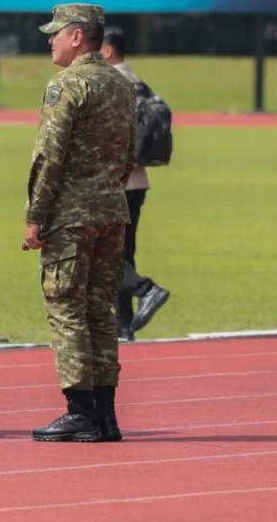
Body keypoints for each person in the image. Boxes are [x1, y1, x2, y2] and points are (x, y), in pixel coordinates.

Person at [23, 4, 136, 443]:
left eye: (56, 33)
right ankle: (106, 416)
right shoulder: (120, 83)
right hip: (111, 210)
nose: (50, 40)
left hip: (70, 215)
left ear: (77, 37)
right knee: (100, 313)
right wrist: (108, 189)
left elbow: (49, 155)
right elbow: (129, 153)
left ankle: (79, 412)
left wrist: (35, 215)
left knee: (67, 308)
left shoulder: (66, 84)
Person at [101, 27, 171, 342]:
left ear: (107, 51)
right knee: (123, 251)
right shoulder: (138, 81)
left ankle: (147, 289)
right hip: (138, 180)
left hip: (116, 180)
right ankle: (124, 326)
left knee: (105, 254)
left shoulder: (113, 82)